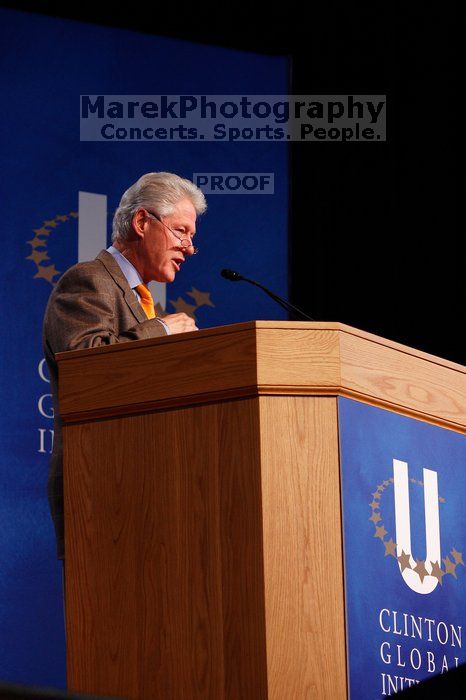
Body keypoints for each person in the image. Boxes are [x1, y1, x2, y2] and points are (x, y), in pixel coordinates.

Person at [42, 171, 207, 559]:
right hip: (100, 483)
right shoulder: (88, 280)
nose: (189, 248)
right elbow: (85, 367)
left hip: (147, 482)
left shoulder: (139, 299)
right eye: (181, 232)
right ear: (142, 222)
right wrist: (162, 331)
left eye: (192, 237)